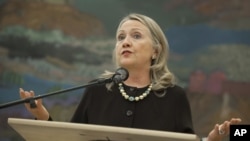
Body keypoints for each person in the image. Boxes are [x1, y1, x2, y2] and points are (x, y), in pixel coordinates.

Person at [20, 13, 241, 141]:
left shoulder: (174, 96)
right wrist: (42, 116)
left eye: (136, 36)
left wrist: (209, 140)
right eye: (121, 37)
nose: (125, 42)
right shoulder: (97, 90)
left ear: (156, 51)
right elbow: (70, 140)